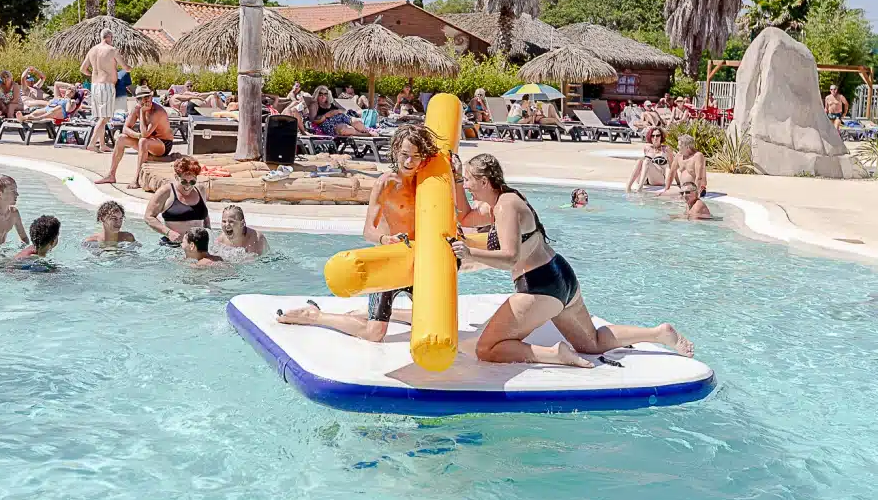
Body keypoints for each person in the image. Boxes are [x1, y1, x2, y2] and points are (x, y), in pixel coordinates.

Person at [449, 154, 693, 366]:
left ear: (484, 181)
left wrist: (470, 255)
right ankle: (658, 333)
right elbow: (466, 217)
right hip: (560, 275)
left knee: (487, 349)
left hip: (539, 285)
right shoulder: (505, 200)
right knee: (592, 343)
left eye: (470, 180)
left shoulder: (505, 207)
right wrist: (457, 179)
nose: (468, 186)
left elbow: (510, 258)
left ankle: (554, 354)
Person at [277, 123, 443, 341]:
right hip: (389, 263)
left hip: (416, 262)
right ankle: (314, 315)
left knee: (436, 321)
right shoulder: (386, 184)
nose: (409, 162)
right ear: (395, 152)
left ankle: (369, 313)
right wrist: (385, 238)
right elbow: (368, 231)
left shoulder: (427, 183)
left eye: (415, 156)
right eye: (404, 155)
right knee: (374, 334)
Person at [96, 86, 175, 188]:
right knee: (121, 138)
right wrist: (137, 135)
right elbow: (126, 128)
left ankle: (137, 179)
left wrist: (142, 112)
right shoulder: (136, 108)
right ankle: (111, 175)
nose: (146, 100)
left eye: (148, 96)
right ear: (138, 100)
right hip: (147, 141)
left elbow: (145, 134)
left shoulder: (157, 111)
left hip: (162, 144)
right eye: (143, 97)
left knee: (143, 141)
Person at [144, 156, 210, 246]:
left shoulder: (200, 190)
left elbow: (205, 214)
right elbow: (149, 217)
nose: (188, 186)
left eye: (192, 182)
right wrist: (168, 232)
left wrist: (209, 230)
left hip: (197, 246)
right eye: (184, 182)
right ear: (176, 177)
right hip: (174, 245)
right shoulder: (166, 191)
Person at [80, 28, 125, 153]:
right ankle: (92, 143)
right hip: (106, 86)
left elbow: (83, 69)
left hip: (95, 86)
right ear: (110, 37)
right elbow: (126, 67)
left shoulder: (92, 50)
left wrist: (94, 75)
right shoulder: (112, 50)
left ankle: (102, 144)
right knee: (105, 117)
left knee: (100, 117)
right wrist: (129, 68)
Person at [20, 88, 85, 123]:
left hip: (60, 114)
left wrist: (69, 100)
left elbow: (68, 110)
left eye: (72, 91)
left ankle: (39, 118)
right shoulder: (59, 97)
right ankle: (24, 118)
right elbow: (49, 104)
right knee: (36, 112)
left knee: (59, 107)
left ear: (73, 95)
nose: (70, 91)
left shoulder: (72, 101)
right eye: (69, 89)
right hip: (48, 110)